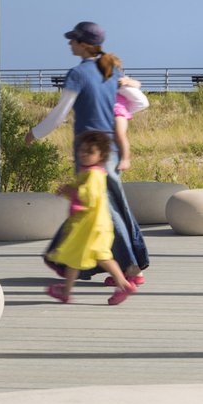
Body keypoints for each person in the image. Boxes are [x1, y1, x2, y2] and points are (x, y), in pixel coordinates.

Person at [27, 21, 151, 284]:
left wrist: (35, 133)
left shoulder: (78, 74)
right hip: (111, 147)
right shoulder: (110, 68)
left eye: (73, 40)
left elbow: (60, 114)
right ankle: (125, 265)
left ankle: (130, 268)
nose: (69, 44)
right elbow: (140, 101)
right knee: (111, 204)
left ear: (84, 44)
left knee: (102, 206)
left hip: (89, 148)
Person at [45, 131, 138, 305]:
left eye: (90, 151)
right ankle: (66, 290)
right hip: (90, 225)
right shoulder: (88, 173)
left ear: (101, 155)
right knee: (77, 255)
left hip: (93, 226)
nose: (83, 154)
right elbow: (80, 190)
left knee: (101, 256)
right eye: (81, 150)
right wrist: (69, 190)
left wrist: (71, 192)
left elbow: (88, 197)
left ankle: (123, 284)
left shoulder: (94, 175)